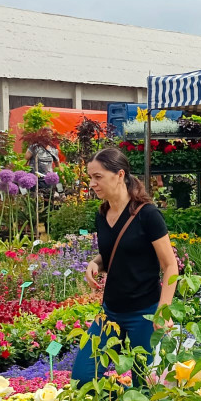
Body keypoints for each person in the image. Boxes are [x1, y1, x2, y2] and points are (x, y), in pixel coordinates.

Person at [73, 147, 178, 385]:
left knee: (146, 385)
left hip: (145, 312)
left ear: (120, 175)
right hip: (111, 311)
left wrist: (163, 311)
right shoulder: (102, 214)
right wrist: (95, 263)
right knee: (83, 378)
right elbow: (112, 253)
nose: (92, 183)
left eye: (98, 177)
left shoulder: (148, 215)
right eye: (90, 177)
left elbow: (170, 266)